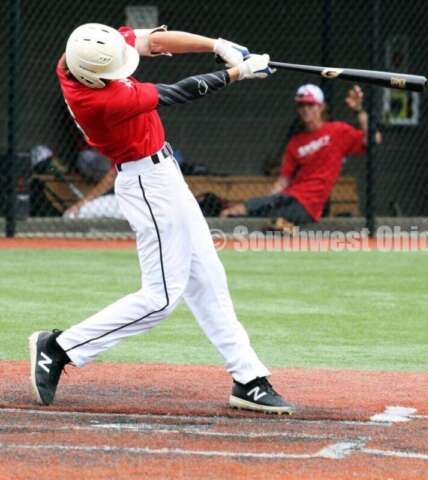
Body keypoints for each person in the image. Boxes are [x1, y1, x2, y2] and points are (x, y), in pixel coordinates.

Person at [30, 23, 294, 414]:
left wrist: (218, 44)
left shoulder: (79, 55)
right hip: (145, 186)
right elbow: (180, 92)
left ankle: (248, 378)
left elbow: (153, 40)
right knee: (161, 298)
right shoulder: (101, 102)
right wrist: (238, 72)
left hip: (164, 175)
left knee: (208, 277)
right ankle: (60, 347)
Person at [220, 83, 376, 226]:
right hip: (290, 197)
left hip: (308, 206)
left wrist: (359, 110)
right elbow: (283, 181)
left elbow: (373, 140)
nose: (305, 109)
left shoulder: (338, 131)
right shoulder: (295, 142)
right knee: (241, 212)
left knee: (265, 221)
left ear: (321, 107)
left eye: (310, 104)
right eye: (301, 105)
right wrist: (268, 200)